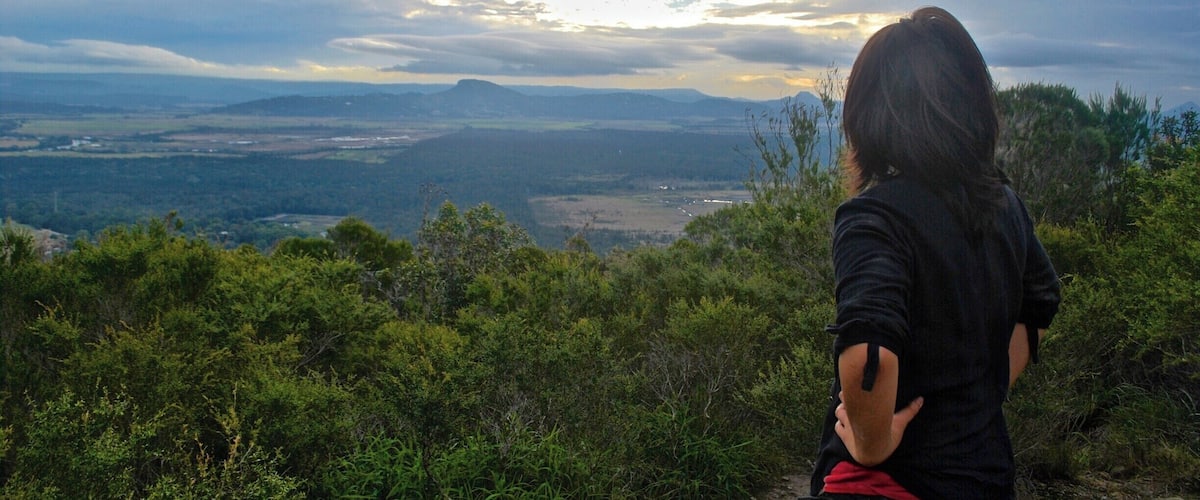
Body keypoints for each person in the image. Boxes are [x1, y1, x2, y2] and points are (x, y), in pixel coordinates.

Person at [808, 6, 1061, 499]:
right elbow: (1041, 302)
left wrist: (872, 442)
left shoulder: (876, 216)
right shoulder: (1003, 203)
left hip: (884, 484)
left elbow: (868, 354)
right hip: (984, 473)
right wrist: (977, 397)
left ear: (870, 111)